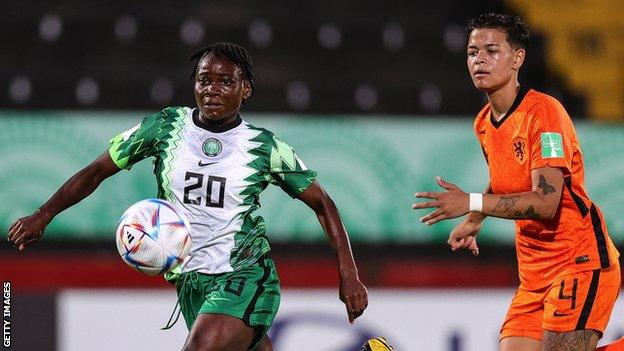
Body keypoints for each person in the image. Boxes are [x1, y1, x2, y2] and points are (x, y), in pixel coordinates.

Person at [7, 42, 368, 351]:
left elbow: (323, 204)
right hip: (191, 281)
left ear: (246, 90)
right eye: (204, 80)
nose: (212, 89)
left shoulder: (264, 147)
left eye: (226, 81)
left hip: (244, 275)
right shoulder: (165, 127)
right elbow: (97, 171)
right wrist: (45, 213)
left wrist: (348, 273)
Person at [412, 13, 621, 351]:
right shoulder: (483, 123)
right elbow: (505, 179)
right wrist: (474, 220)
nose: (479, 59)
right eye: (472, 52)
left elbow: (545, 202)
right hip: (534, 276)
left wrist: (472, 203)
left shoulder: (546, 115)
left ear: (517, 59)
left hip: (579, 263)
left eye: (492, 51)